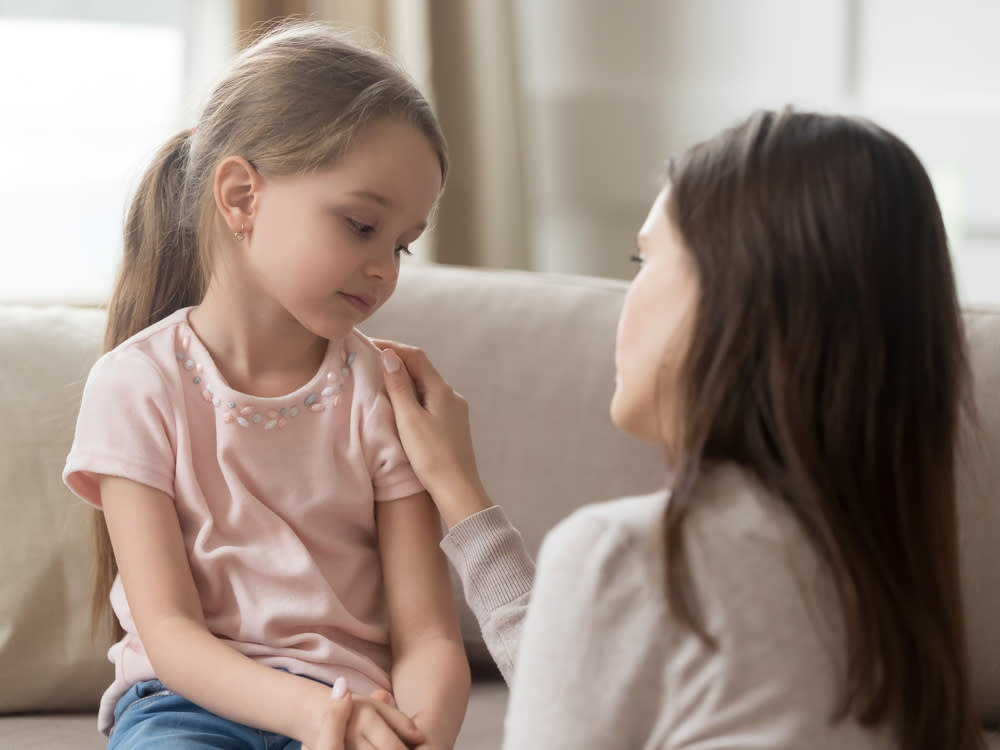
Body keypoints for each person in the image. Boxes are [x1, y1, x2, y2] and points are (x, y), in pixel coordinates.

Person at [376, 109, 987, 749]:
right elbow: (595, 685)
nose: (626, 296)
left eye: (646, 258)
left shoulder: (629, 557)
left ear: (737, 296)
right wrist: (459, 493)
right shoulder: (891, 587)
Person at [63, 21, 469, 750]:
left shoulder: (382, 391)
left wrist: (420, 737)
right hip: (181, 705)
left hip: (353, 707)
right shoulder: (135, 386)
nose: (386, 269)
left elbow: (429, 635)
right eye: (360, 224)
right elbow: (172, 632)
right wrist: (309, 715)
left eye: (402, 243)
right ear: (242, 196)